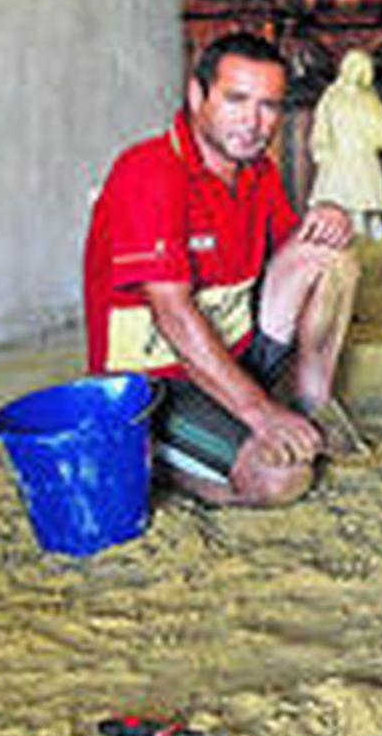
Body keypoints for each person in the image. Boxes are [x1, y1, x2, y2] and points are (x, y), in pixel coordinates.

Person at [84, 32, 363, 507]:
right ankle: (156, 455)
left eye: (269, 105)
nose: (254, 123)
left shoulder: (257, 171)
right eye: (237, 100)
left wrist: (329, 214)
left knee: (330, 255)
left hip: (235, 357)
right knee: (282, 478)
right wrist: (259, 414)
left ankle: (313, 404)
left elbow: (293, 259)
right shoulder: (148, 172)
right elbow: (172, 313)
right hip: (161, 380)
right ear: (198, 95)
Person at [308, 48, 382, 239]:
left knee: (369, 212)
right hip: (339, 162)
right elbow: (321, 126)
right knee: (341, 211)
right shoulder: (332, 96)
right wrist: (322, 150)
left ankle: (375, 249)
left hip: (364, 161)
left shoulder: (371, 99)